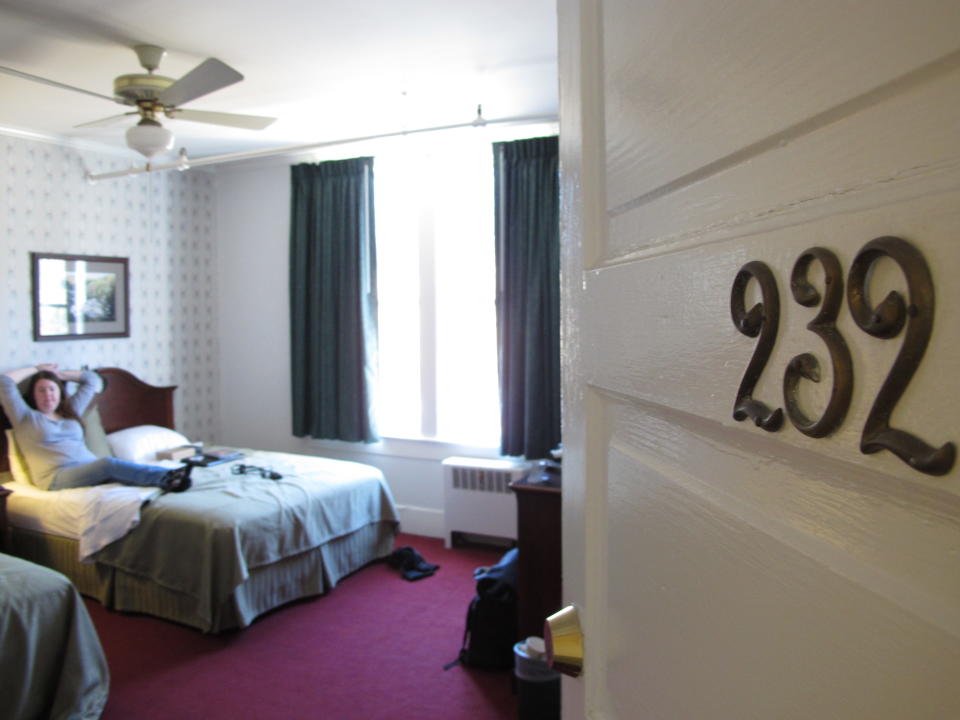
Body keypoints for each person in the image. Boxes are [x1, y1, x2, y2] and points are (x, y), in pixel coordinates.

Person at [0, 363, 192, 493]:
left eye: (52, 389)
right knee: (108, 464)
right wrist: (36, 369)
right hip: (55, 477)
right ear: (33, 395)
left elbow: (92, 380)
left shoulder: (70, 411)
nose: (47, 395)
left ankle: (164, 479)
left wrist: (60, 374)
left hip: (88, 468)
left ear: (60, 392)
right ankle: (167, 478)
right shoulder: (25, 417)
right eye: (41, 390)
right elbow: (4, 382)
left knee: (112, 470)